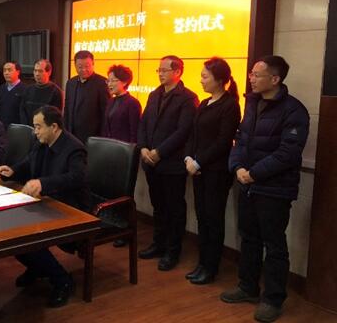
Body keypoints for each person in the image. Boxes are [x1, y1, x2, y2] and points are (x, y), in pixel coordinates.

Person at [221, 56, 309, 323]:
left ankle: (273, 299)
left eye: (257, 74)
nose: (251, 78)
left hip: (274, 189)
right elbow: (240, 140)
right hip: (248, 184)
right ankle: (248, 287)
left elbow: (288, 153)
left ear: (275, 79)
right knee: (249, 238)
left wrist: (254, 173)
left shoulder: (294, 111)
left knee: (274, 245)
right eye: (251, 73)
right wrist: (237, 167)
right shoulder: (252, 103)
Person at [0, 105, 88, 308]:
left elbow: (76, 178)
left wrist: (43, 184)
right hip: (45, 202)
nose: (35, 131)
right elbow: (28, 162)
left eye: (38, 127)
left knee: (27, 235)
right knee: (10, 229)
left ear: (54, 127)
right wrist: (12, 171)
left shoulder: (74, 148)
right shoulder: (41, 142)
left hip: (69, 206)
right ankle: (38, 267)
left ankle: (62, 280)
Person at [137, 55, 198, 271]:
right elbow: (144, 123)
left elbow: (183, 131)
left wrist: (159, 152)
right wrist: (143, 148)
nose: (160, 73)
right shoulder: (154, 94)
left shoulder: (188, 98)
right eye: (159, 70)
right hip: (151, 163)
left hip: (171, 164)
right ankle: (158, 243)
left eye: (164, 70)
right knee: (158, 206)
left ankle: (173, 251)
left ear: (177, 72)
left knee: (174, 209)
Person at [184, 57, 241, 285]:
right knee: (202, 217)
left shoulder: (230, 105)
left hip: (216, 172)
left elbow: (223, 141)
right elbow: (193, 134)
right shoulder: (204, 103)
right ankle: (202, 263)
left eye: (205, 76)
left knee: (213, 219)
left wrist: (199, 162)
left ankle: (211, 267)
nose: (201, 80)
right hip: (197, 170)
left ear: (219, 80)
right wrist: (189, 157)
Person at [64, 50, 110, 144]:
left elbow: (105, 113)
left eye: (87, 66)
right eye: (80, 67)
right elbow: (67, 109)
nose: (84, 70)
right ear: (75, 66)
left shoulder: (102, 83)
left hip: (92, 137)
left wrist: (102, 138)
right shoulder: (71, 83)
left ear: (93, 64)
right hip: (71, 135)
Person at [102, 64, 142, 143]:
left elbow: (134, 132)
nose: (109, 84)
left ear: (124, 82)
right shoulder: (111, 101)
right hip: (109, 146)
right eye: (108, 81)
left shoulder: (133, 103)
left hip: (123, 147)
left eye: (113, 80)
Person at [20, 59, 63, 125]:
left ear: (49, 72)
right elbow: (22, 110)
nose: (37, 74)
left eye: (40, 71)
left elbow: (56, 117)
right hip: (29, 128)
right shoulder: (28, 90)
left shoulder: (55, 92)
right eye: (35, 71)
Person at [0, 61, 27, 127]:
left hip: (18, 128)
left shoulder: (25, 90)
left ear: (18, 72)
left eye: (9, 70)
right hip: (2, 127)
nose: (6, 73)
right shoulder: (1, 88)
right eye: (4, 70)